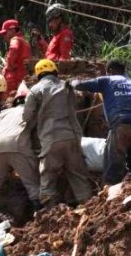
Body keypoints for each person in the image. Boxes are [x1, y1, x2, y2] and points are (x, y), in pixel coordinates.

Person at [71, 60, 131, 185]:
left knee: (113, 163)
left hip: (121, 124)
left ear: (110, 71)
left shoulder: (107, 80)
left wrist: (72, 82)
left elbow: (81, 85)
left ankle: (110, 194)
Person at [22, 59, 91, 208]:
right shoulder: (66, 87)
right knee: (78, 176)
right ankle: (88, 209)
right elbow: (75, 107)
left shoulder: (35, 90)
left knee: (48, 178)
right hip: (71, 137)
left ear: (38, 74)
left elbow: (26, 117)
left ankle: (50, 216)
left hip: (50, 139)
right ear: (55, 71)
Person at [0, 83, 41, 226]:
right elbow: (36, 135)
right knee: (32, 184)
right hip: (18, 145)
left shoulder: (4, 113)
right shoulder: (32, 110)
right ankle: (41, 220)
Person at [0, 19, 31, 94]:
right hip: (21, 77)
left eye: (5, 33)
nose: (4, 36)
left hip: (13, 78)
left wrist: (9, 65)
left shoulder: (15, 39)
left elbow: (14, 49)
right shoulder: (24, 41)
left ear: (12, 30)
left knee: (8, 101)